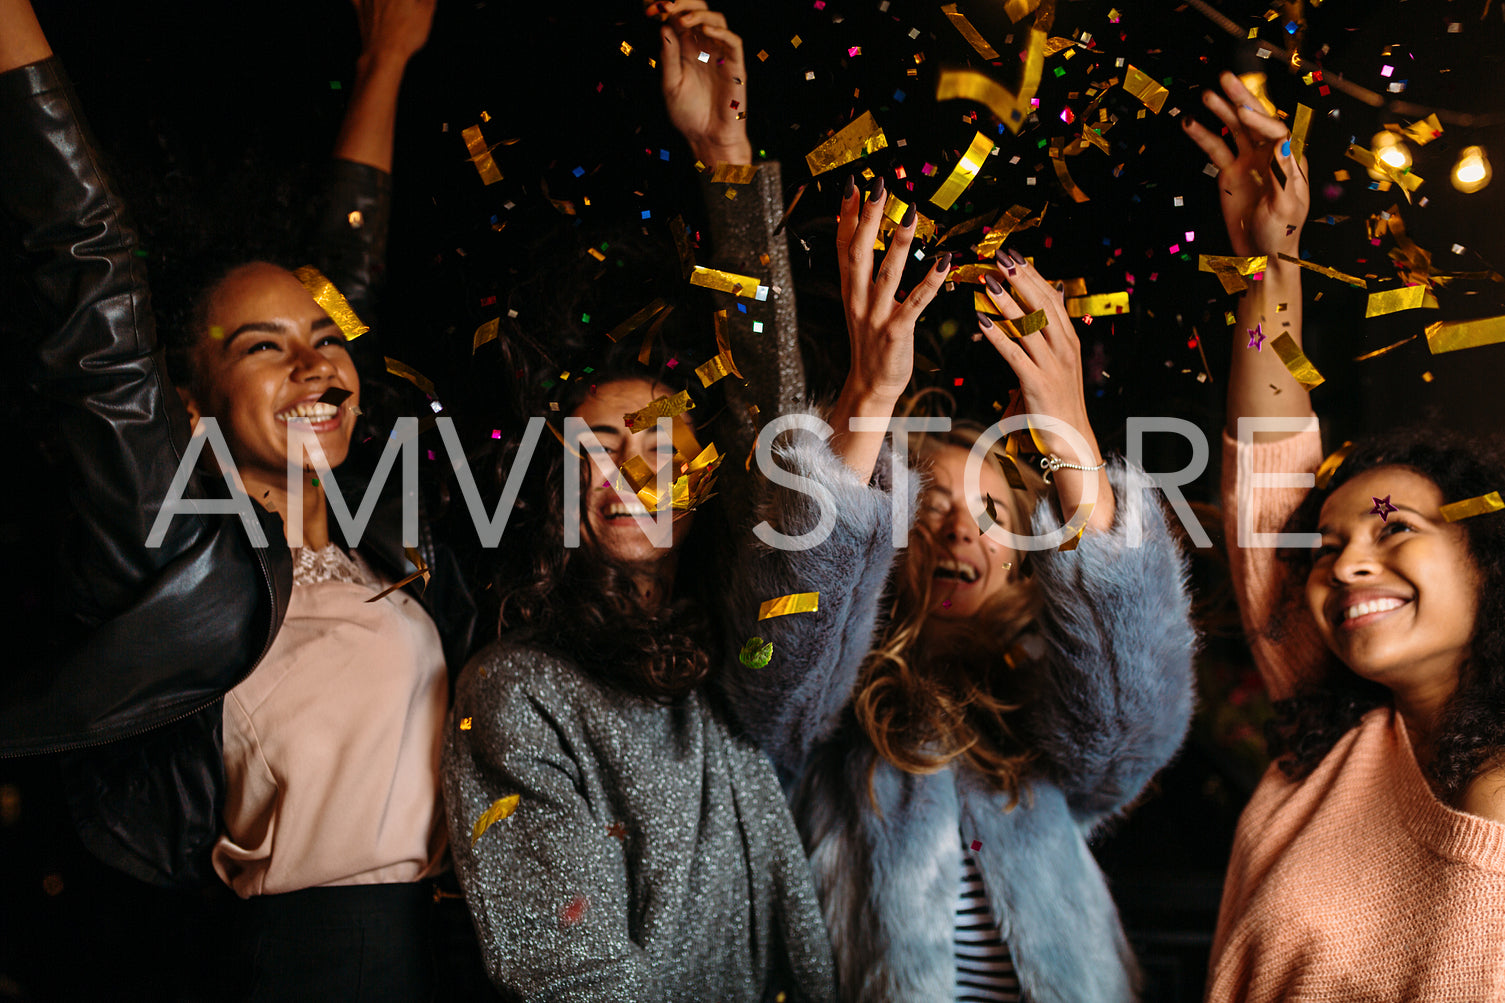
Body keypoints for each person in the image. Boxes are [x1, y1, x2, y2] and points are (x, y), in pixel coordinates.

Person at [440, 6, 951, 999]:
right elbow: (567, 971)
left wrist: (725, 156)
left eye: (658, 441)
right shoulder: (516, 691)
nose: (622, 466)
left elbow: (778, 442)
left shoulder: (740, 663)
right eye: (594, 445)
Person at [0, 1, 488, 998]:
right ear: (190, 408)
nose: (315, 363)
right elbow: (88, 276)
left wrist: (386, 58)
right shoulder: (175, 555)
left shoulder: (379, 541)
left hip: (447, 961)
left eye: (324, 339)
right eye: (263, 346)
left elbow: (345, 281)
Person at [717, 178, 1199, 1002]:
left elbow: (1133, 729)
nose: (959, 531)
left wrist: (1067, 434)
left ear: (1021, 556)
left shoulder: (1045, 706)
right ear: (882, 537)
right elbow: (777, 677)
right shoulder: (831, 723)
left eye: (992, 512)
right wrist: (869, 396)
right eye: (929, 506)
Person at [1184, 72, 1505, 1000]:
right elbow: (1269, 465)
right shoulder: (1341, 732)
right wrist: (1266, 259)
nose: (1345, 561)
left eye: (1391, 527)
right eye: (1326, 545)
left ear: (1487, 557)